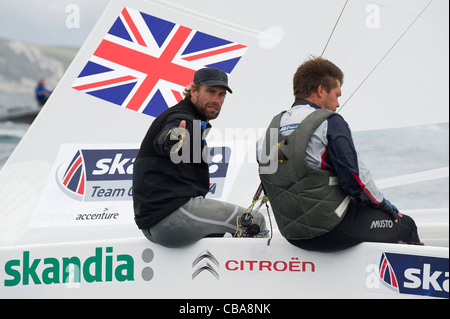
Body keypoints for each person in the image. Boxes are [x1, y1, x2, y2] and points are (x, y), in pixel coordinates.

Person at [257, 56, 421, 252]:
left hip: (292, 235)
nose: (337, 104)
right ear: (320, 90)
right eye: (337, 95)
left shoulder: (270, 130)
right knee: (405, 225)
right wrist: (383, 205)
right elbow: (355, 181)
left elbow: (269, 182)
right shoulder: (330, 122)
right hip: (332, 231)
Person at [133, 67, 267, 248]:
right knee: (255, 222)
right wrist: (174, 139)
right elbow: (170, 135)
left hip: (157, 222)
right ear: (194, 91)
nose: (216, 100)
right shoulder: (182, 117)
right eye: (210, 92)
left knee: (229, 234)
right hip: (170, 217)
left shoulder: (194, 121)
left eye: (221, 95)